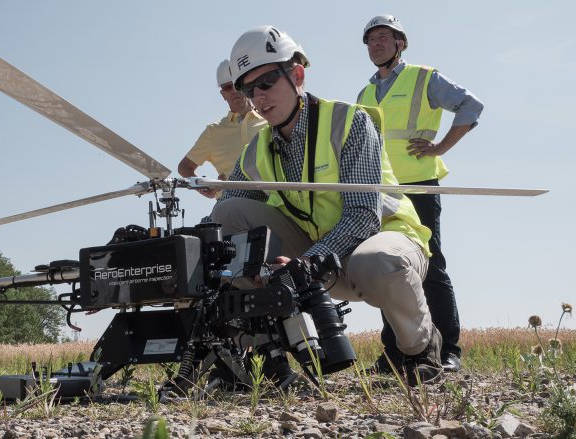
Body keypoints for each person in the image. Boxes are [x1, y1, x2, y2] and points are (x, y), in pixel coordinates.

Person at [208, 25, 442, 386]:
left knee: (377, 262)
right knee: (227, 215)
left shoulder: (348, 122)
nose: (258, 97)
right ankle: (259, 353)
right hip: (313, 256)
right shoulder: (255, 150)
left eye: (267, 81)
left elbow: (364, 216)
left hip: (380, 241)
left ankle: (419, 349)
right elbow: (224, 219)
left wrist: (306, 264)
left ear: (297, 75)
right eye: (248, 89)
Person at [357, 15, 484, 373]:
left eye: (383, 37)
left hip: (418, 185)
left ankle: (448, 351)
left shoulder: (424, 77)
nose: (376, 44)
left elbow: (471, 106)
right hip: (382, 191)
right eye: (370, 40)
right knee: (385, 267)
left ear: (400, 43)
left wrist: (441, 146)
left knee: (431, 267)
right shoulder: (364, 94)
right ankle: (396, 354)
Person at [178, 59, 267, 198]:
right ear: (223, 95)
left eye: (236, 84)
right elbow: (184, 167)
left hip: (271, 199)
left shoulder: (270, 119)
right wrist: (204, 188)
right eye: (227, 87)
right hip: (232, 203)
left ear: (245, 85)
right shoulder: (213, 132)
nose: (233, 91)